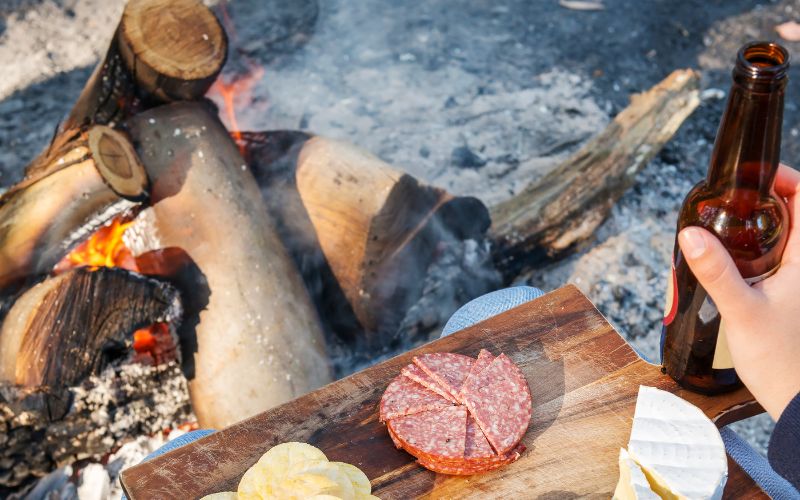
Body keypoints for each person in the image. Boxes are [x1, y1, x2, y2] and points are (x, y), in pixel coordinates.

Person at [677, 163, 800, 489]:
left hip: (740, 374)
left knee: (523, 295)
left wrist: (791, 388)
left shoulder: (767, 218)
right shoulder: (706, 205)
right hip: (683, 363)